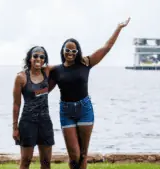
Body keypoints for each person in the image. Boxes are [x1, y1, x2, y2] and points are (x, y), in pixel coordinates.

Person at [49, 17, 131, 169]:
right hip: (66, 111)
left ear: (77, 51)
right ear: (63, 51)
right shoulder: (57, 70)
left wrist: (118, 28)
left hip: (84, 109)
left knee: (83, 154)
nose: (70, 53)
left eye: (74, 51)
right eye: (67, 50)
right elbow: (45, 90)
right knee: (74, 154)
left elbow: (106, 47)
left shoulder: (86, 63)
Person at [12, 46, 54, 169]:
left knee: (46, 162)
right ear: (30, 58)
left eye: (42, 57)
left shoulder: (46, 72)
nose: (38, 59)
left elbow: (65, 65)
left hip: (45, 122)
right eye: (35, 56)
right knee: (26, 161)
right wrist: (15, 128)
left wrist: (80, 60)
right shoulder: (21, 77)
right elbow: (16, 104)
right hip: (28, 122)